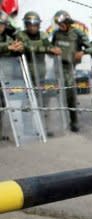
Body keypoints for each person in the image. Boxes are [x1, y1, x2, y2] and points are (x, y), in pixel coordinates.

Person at [16, 11, 61, 135]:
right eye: (29, 24)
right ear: (26, 25)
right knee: (27, 103)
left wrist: (55, 50)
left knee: (43, 102)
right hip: (26, 75)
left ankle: (44, 129)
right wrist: (47, 49)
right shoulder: (21, 34)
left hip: (41, 75)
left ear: (38, 25)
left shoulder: (43, 35)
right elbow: (28, 48)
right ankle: (28, 129)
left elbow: (50, 48)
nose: (32, 27)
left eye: (35, 24)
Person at [52, 10, 91, 132]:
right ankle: (58, 122)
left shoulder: (77, 33)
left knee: (70, 95)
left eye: (62, 23)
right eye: (59, 24)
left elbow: (91, 47)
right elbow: (51, 46)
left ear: (68, 22)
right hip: (57, 68)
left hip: (69, 69)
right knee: (55, 95)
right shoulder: (56, 34)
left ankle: (74, 121)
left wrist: (83, 52)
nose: (61, 26)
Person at [0, 10, 23, 141]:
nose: (0, 27)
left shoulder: (8, 38)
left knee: (2, 107)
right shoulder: (7, 43)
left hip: (4, 79)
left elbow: (13, 51)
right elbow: (7, 47)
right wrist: (8, 47)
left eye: (2, 24)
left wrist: (19, 49)